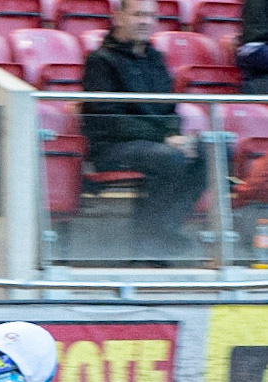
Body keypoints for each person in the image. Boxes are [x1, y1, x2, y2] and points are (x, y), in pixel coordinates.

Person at [81, 0, 207, 259]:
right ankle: (150, 240)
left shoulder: (156, 59)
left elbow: (170, 110)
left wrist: (176, 136)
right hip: (111, 148)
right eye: (138, 15)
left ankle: (162, 232)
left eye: (151, 16)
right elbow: (108, 122)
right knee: (169, 157)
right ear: (118, 17)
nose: (145, 22)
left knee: (212, 151)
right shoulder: (100, 61)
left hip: (155, 145)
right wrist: (165, 138)